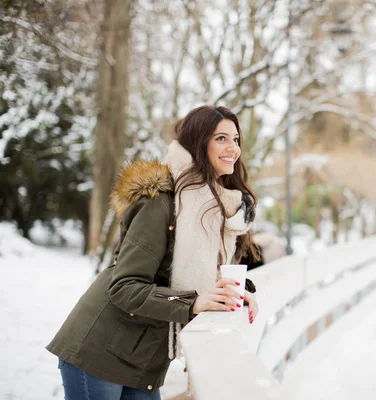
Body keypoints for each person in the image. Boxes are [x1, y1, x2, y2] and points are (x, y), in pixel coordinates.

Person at [46, 105, 260, 399]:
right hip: (98, 352)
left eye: (236, 139)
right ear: (199, 144)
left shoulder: (212, 211)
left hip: (143, 359)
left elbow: (192, 277)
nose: (232, 148)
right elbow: (124, 287)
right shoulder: (161, 202)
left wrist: (233, 294)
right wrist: (194, 302)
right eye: (221, 138)